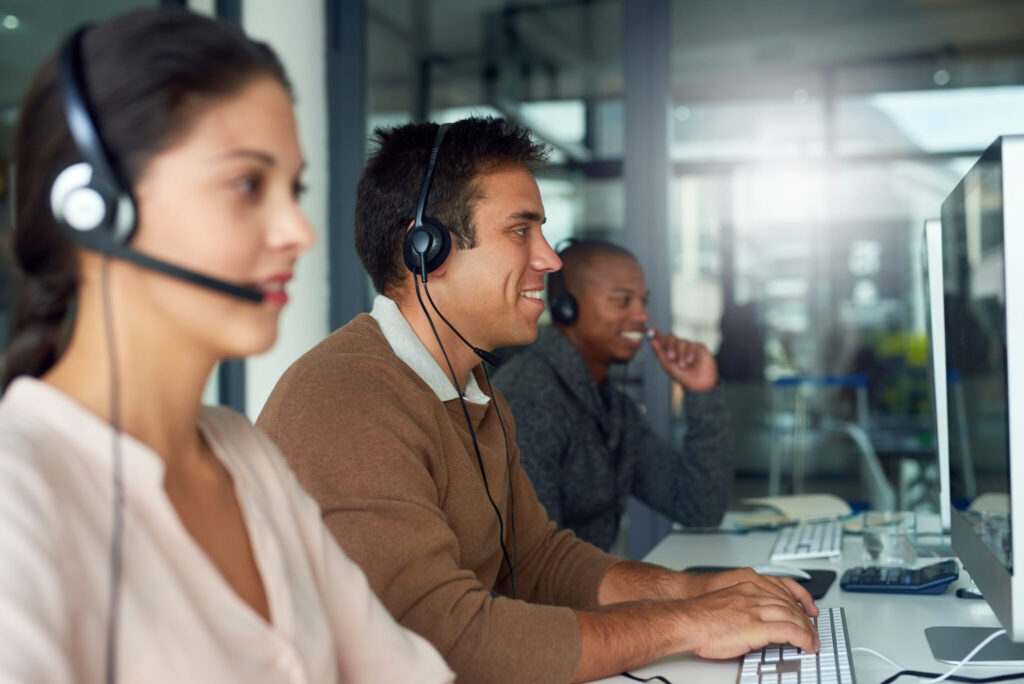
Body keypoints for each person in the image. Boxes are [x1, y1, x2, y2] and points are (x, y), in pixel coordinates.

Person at [257, 116, 819, 683]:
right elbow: (441, 639)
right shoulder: (347, 401)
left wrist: (695, 589)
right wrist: (688, 623)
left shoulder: (476, 393)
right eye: (521, 231)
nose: (549, 260)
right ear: (425, 249)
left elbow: (540, 558)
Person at [0, 10, 452, 682]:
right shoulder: (20, 498)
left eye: (292, 190)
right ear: (94, 209)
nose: (299, 230)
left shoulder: (245, 455)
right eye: (247, 184)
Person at [492, 240, 734, 551]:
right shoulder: (529, 399)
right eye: (623, 301)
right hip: (544, 599)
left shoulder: (612, 408)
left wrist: (702, 393)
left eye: (644, 301)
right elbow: (533, 561)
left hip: (580, 595)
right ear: (567, 307)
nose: (642, 316)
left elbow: (699, 507)